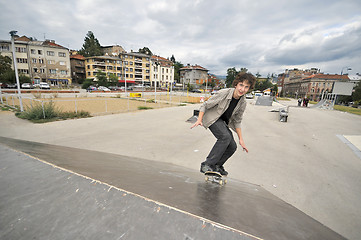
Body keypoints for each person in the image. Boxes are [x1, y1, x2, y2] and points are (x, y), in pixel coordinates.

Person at [190, 72, 256, 176]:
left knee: (232, 146)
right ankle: (207, 164)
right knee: (225, 137)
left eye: (246, 87)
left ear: (249, 89)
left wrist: (241, 139)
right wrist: (199, 119)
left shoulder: (243, 102)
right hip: (212, 118)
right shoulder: (224, 93)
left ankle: (217, 165)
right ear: (236, 84)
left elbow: (237, 121)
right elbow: (205, 105)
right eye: (241, 85)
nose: (242, 89)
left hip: (222, 122)